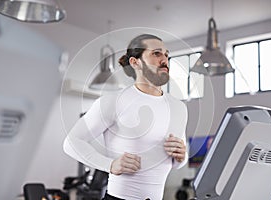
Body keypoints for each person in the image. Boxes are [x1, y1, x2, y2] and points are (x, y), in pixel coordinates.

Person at [63, 34, 188, 200]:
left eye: (166, 55)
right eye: (156, 54)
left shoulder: (179, 107)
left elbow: (179, 163)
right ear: (135, 62)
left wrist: (181, 156)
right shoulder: (113, 101)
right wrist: (110, 165)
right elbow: (72, 142)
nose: (164, 60)